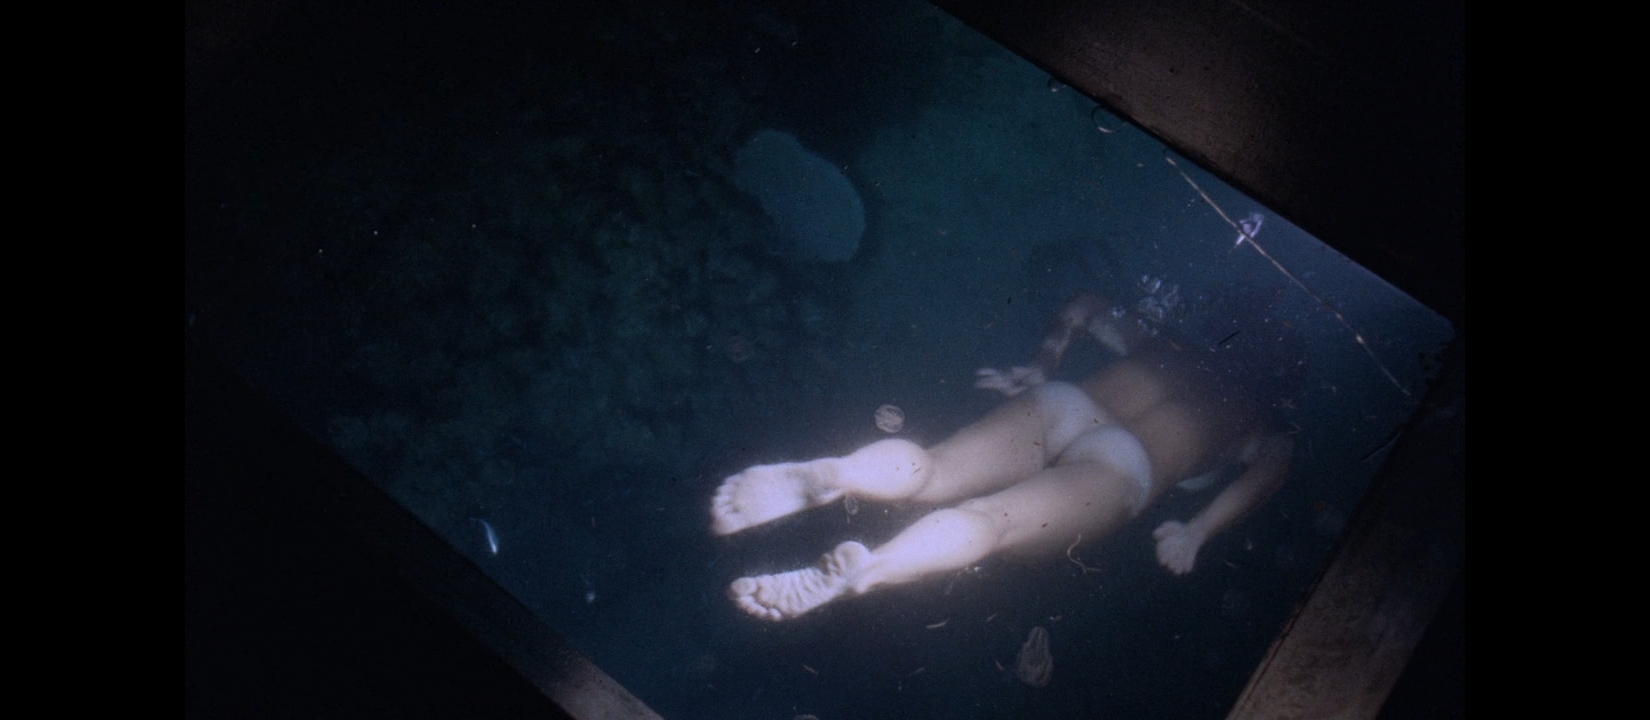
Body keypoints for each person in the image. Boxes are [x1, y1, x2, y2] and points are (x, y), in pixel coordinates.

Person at [710, 290, 1295, 621]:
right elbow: (1269, 474)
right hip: (1126, 463)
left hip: (1066, 402)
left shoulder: (1167, 343)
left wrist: (1040, 364)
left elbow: (1086, 305)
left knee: (933, 468)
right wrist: (1197, 531)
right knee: (989, 522)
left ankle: (844, 472)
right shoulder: (1259, 422)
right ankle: (868, 570)